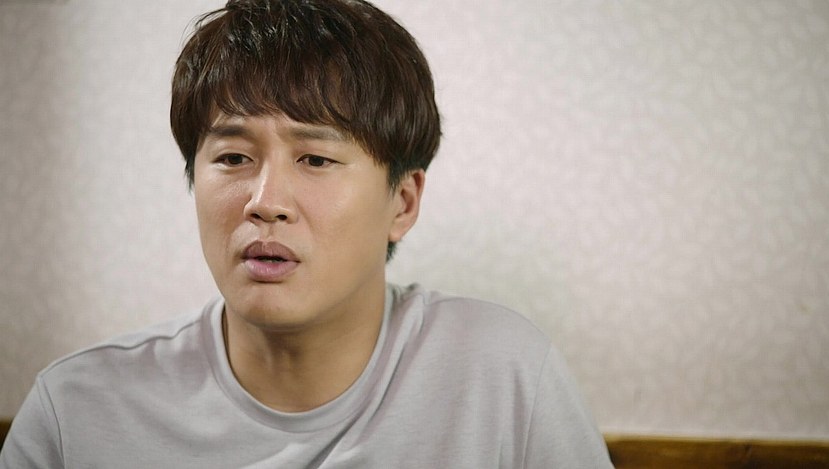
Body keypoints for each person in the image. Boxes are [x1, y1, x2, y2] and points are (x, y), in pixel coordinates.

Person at [0, 0, 612, 467]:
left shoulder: (503, 377)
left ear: (402, 202)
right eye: (233, 158)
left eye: (315, 159)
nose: (265, 203)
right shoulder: (76, 412)